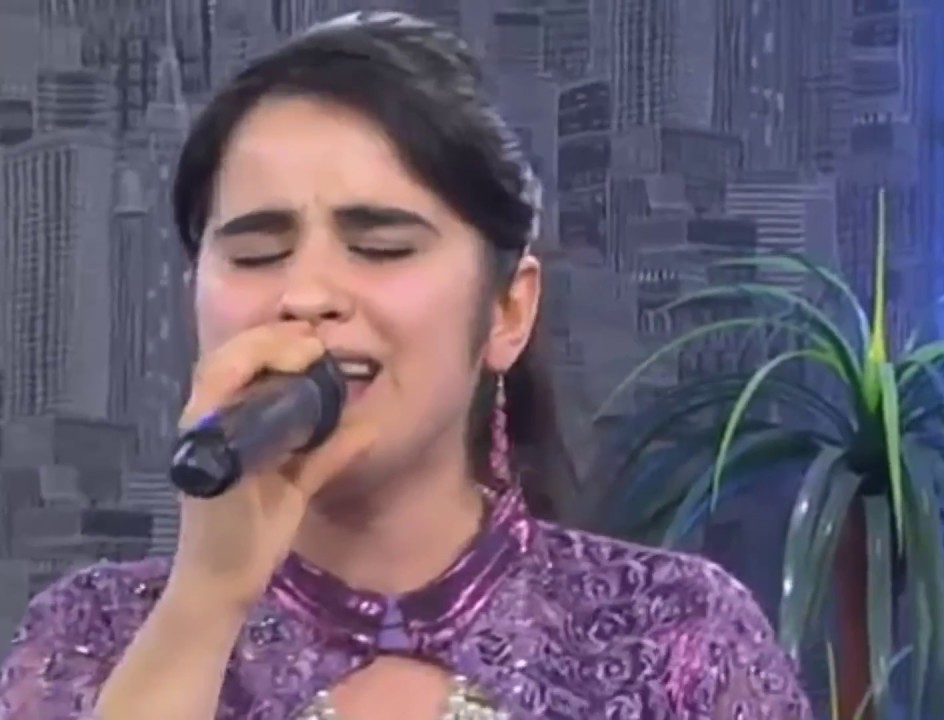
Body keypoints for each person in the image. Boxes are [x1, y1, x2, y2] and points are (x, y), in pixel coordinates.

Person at [0, 11, 811, 720]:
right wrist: (203, 604)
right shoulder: (90, 636)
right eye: (257, 254)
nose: (307, 295)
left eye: (381, 247)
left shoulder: (678, 635)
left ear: (507, 311)